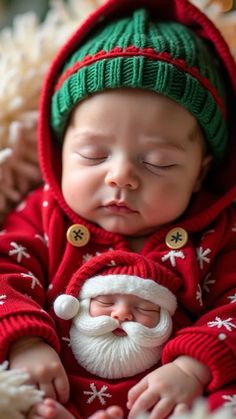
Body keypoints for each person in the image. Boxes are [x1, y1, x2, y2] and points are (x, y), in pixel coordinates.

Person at [0, 0, 236, 417]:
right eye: (93, 155)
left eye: (158, 163)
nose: (121, 177)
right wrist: (25, 342)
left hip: (176, 401)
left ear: (200, 173)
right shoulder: (43, 214)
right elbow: (5, 272)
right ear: (58, 152)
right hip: (48, 389)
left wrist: (193, 366)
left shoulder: (218, 233)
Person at [29, 250, 178, 419]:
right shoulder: (55, 339)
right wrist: (27, 343)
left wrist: (188, 368)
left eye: (145, 308)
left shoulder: (173, 356)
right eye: (106, 302)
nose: (122, 314)